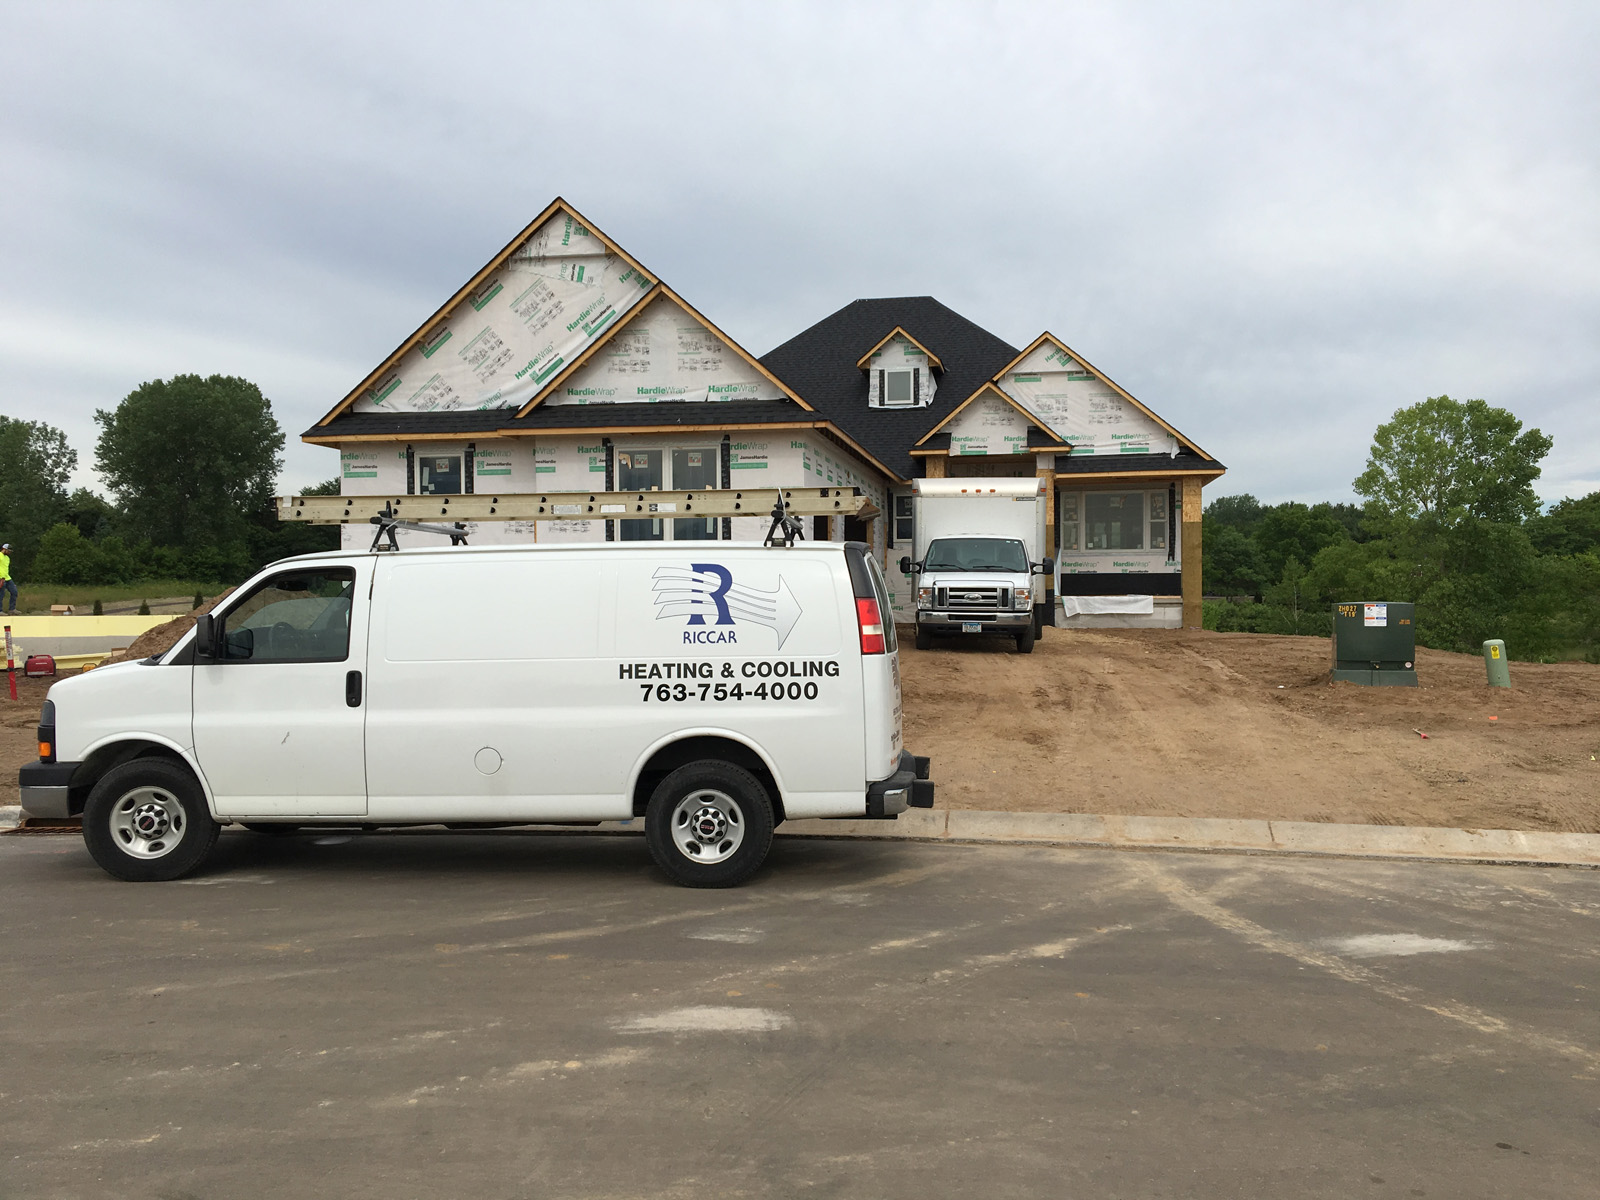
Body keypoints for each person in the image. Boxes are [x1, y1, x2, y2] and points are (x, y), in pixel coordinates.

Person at [0, 543, 15, 615]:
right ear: (4, 549)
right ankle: (0, 611)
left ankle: (12, 609)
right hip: (0, 578)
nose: (9, 552)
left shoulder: (7, 558)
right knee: (1, 595)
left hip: (7, 577)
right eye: (8, 551)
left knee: (14, 592)